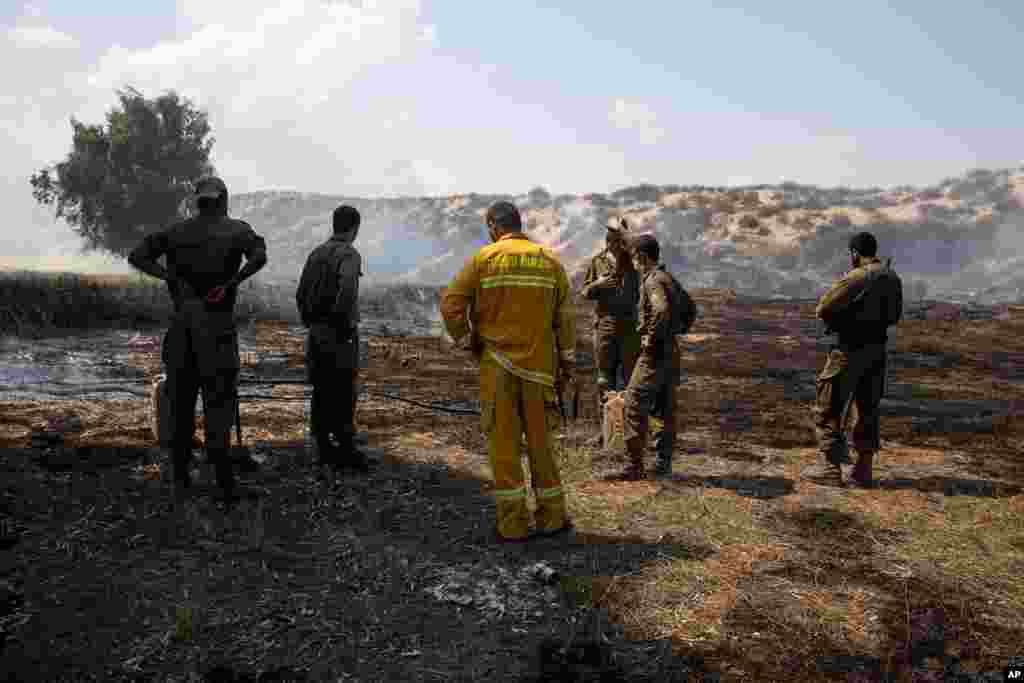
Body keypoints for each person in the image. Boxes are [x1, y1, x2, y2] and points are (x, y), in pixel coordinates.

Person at [440, 200, 576, 542]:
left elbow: (451, 304)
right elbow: (565, 319)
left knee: (504, 446)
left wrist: (468, 341)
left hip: (497, 367)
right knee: (541, 445)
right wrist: (567, 363)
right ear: (520, 223)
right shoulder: (549, 261)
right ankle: (552, 518)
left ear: (492, 226)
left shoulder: (483, 259)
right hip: (540, 373)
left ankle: (513, 525)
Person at [128, 176, 268, 504]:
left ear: (198, 202)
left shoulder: (175, 233)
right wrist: (232, 282)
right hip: (217, 332)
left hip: (181, 331)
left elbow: (137, 255)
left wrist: (169, 276)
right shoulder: (237, 230)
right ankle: (224, 485)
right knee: (218, 405)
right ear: (223, 201)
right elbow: (259, 256)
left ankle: (180, 480)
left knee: (180, 407)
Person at [813, 231, 903, 487]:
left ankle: (831, 471)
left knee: (828, 407)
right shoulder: (892, 277)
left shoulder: (857, 277)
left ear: (854, 253)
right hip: (877, 350)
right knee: (868, 410)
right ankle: (863, 471)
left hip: (849, 351)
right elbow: (895, 316)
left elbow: (823, 308)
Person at [295, 205, 370, 473]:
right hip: (339, 333)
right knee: (343, 388)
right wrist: (341, 322)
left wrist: (310, 322)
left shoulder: (316, 253)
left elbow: (301, 292)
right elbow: (347, 288)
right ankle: (345, 447)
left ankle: (323, 445)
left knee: (321, 386)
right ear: (355, 228)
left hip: (316, 331)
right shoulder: (349, 254)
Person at [619, 234, 695, 480]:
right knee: (664, 408)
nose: (633, 263)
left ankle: (634, 465)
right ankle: (663, 464)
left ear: (641, 257)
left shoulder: (652, 281)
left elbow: (661, 310)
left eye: (634, 258)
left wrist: (651, 337)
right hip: (671, 351)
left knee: (632, 403)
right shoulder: (668, 278)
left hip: (655, 352)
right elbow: (690, 308)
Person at [580, 217, 641, 414]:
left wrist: (627, 237)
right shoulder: (598, 261)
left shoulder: (635, 260)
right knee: (604, 380)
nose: (613, 244)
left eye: (617, 240)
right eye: (609, 240)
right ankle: (607, 430)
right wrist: (598, 285)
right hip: (605, 325)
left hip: (630, 326)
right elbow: (584, 292)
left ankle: (630, 430)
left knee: (631, 379)